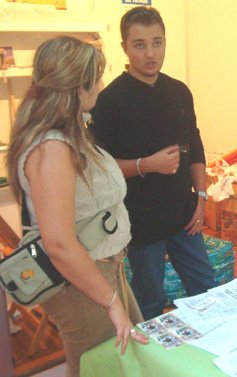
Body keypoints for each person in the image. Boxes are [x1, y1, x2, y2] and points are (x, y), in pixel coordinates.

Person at [6, 36, 148, 377]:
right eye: (95, 78)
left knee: (130, 358)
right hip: (82, 280)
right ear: (77, 86)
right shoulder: (53, 147)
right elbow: (60, 244)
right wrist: (112, 303)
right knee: (101, 366)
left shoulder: (70, 135)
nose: (100, 85)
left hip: (103, 268)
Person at [90, 6, 215, 321]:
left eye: (157, 43)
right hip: (139, 221)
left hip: (183, 213)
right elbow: (98, 169)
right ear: (125, 48)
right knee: (149, 299)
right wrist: (145, 165)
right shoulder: (109, 101)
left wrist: (201, 197)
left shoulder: (179, 92)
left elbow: (195, 147)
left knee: (207, 287)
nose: (150, 53)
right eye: (140, 44)